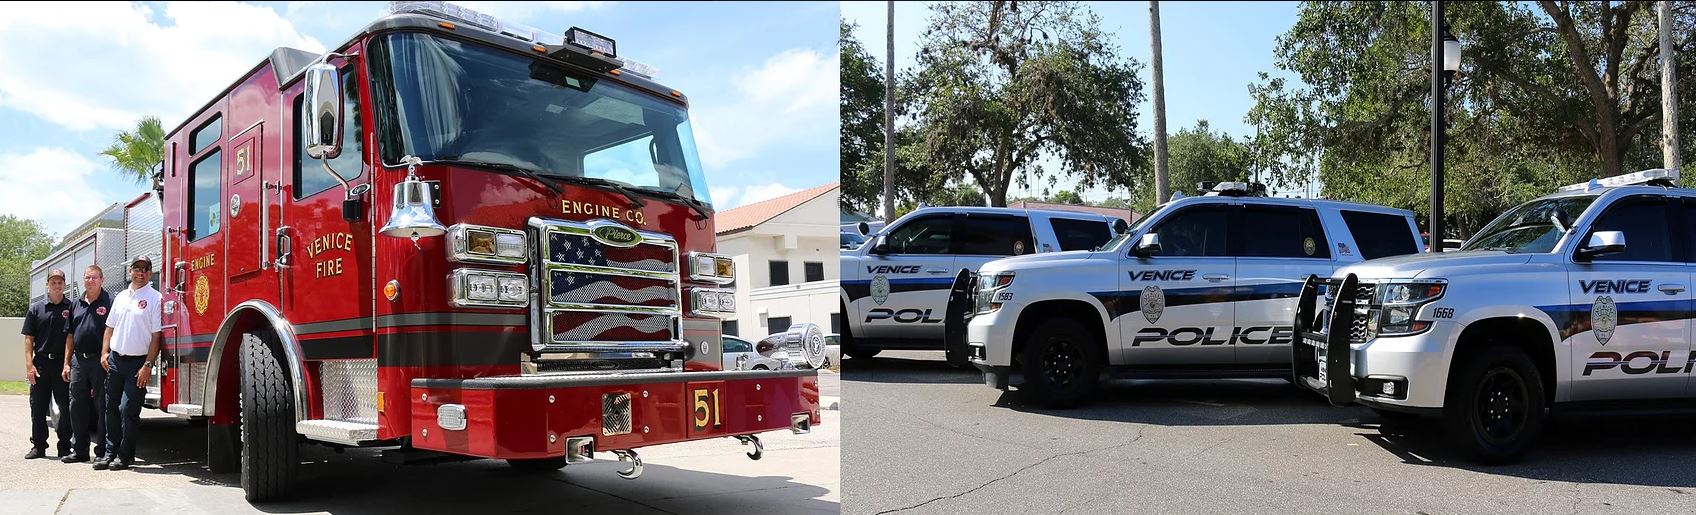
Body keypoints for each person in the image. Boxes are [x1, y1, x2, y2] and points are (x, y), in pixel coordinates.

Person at [100, 258, 161, 471]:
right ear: (131, 271)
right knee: (110, 408)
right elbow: (109, 326)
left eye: (145, 270)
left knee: (128, 409)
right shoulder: (121, 297)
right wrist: (104, 352)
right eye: (137, 269)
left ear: (150, 273)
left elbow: (156, 337)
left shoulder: (155, 299)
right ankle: (109, 454)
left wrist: (148, 365)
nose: (140, 273)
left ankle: (125, 456)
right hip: (116, 361)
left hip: (138, 364)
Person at [20, 269, 72, 459]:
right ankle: (39, 446)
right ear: (47, 285)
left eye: (60, 282)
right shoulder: (36, 308)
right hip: (40, 364)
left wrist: (67, 363)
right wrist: (29, 366)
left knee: (65, 407)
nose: (56, 286)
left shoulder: (71, 308)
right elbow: (28, 339)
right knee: (38, 407)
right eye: (53, 282)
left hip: (61, 365)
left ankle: (65, 446)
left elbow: (71, 338)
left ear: (64, 284)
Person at [63, 265, 111, 464]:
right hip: (78, 361)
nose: (90, 281)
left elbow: (113, 330)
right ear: (83, 280)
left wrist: (105, 354)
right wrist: (66, 362)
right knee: (77, 405)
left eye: (94, 278)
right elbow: (70, 335)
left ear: (102, 280)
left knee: (102, 405)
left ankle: (101, 451)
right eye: (87, 278)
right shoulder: (76, 304)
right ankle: (80, 450)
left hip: (100, 361)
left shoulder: (110, 302)